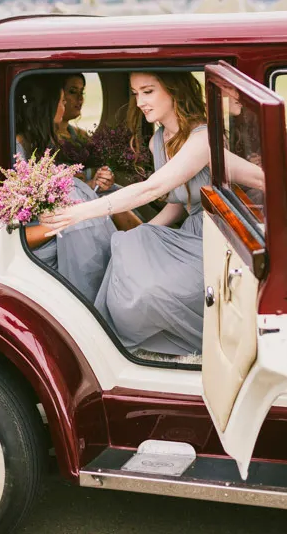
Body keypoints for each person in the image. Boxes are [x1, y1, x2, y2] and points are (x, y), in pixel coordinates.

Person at [43, 71, 263, 356]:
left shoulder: (201, 138)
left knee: (142, 269)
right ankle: (110, 346)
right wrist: (141, 234)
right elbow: (176, 203)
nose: (140, 102)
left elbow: (152, 188)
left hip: (221, 236)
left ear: (174, 91)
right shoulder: (157, 141)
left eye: (148, 91)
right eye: (135, 94)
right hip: (192, 233)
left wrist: (81, 212)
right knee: (132, 243)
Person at [15, 74, 137, 302]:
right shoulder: (18, 152)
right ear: (47, 108)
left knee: (106, 196)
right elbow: (14, 231)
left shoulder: (38, 144)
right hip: (42, 238)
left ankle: (136, 248)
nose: (65, 107)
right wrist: (68, 219)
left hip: (55, 222)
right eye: (62, 101)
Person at [56, 72, 115, 192]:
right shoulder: (42, 139)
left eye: (81, 92)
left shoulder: (81, 135)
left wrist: (102, 176)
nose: (80, 99)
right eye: (73, 92)